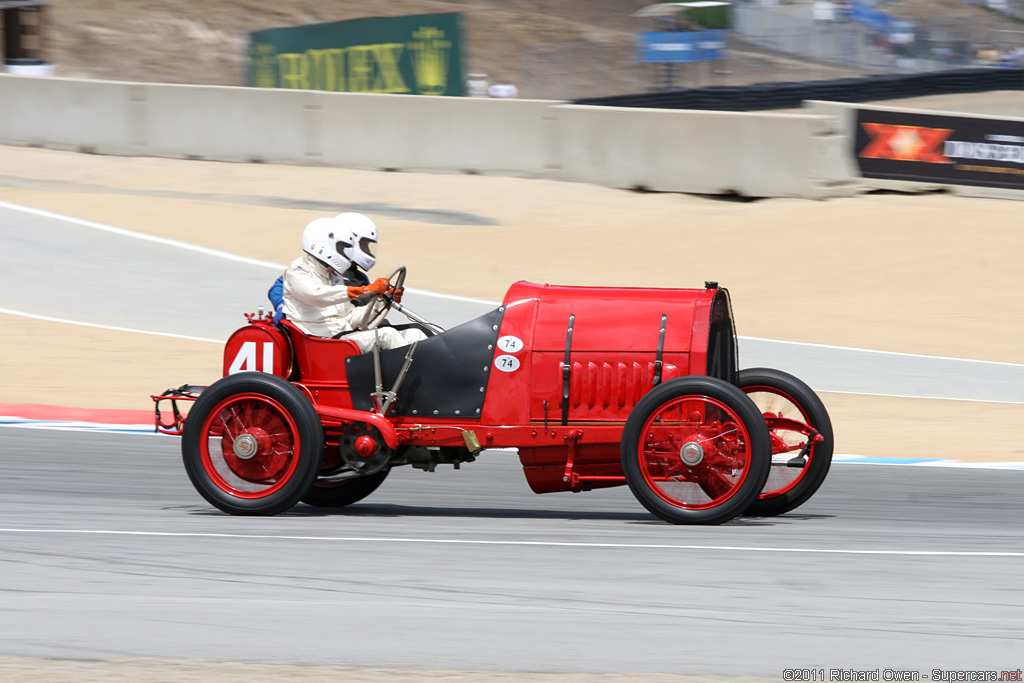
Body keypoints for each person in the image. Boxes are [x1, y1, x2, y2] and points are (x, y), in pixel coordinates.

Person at [275, 214, 426, 352]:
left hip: (343, 337)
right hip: (320, 342)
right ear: (322, 244)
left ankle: (433, 375)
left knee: (415, 334)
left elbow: (350, 317)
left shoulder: (334, 275)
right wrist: (365, 290)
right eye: (341, 248)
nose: (345, 253)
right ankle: (413, 377)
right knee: (387, 335)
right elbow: (317, 295)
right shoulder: (298, 271)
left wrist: (384, 300)